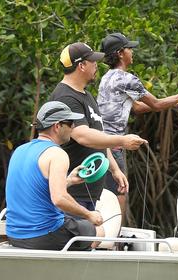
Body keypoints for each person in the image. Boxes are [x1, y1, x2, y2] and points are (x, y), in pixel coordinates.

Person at [97, 32, 178, 221]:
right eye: (129, 49)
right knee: (119, 195)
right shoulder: (127, 79)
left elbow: (136, 107)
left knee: (107, 195)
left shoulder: (107, 77)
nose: (132, 52)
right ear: (121, 53)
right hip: (114, 147)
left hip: (101, 143)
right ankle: (114, 242)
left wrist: (173, 101)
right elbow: (156, 104)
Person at [50, 42, 147, 211]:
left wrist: (115, 170)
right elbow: (83, 135)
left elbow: (98, 135)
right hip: (72, 192)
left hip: (88, 192)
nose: (97, 65)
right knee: (91, 235)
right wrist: (122, 140)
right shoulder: (65, 97)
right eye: (92, 61)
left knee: (94, 235)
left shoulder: (86, 95)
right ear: (81, 65)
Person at [6, 101, 105, 251]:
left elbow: (35, 189)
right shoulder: (57, 154)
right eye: (70, 123)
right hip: (44, 235)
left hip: (14, 235)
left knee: (73, 222)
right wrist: (89, 214)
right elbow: (59, 199)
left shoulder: (20, 150)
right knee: (99, 231)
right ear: (57, 126)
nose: (73, 127)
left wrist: (69, 181)